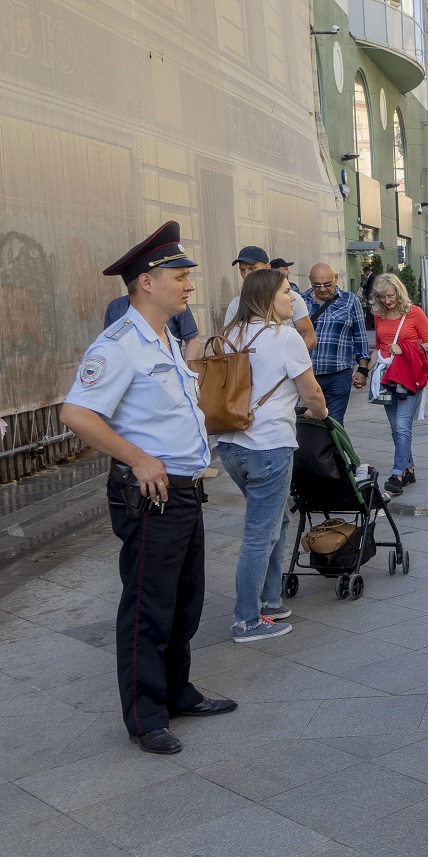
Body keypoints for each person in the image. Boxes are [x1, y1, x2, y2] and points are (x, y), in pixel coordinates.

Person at [61, 222, 236, 756]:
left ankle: (177, 691)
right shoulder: (118, 345)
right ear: (145, 282)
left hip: (183, 490)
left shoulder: (162, 337)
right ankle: (145, 715)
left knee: (185, 601)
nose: (188, 285)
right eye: (179, 276)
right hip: (152, 494)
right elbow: (75, 413)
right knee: (148, 606)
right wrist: (136, 457)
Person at [215, 269, 329, 643]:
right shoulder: (285, 337)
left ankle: (271, 600)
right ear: (266, 298)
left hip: (231, 446)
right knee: (259, 532)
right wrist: (321, 413)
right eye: (285, 292)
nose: (292, 299)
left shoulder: (229, 334)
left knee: (276, 519)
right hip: (269, 445)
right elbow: (310, 392)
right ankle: (246, 619)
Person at [370, 272, 428, 494]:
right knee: (394, 427)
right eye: (381, 297)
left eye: (390, 296)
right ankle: (408, 469)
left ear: (399, 292)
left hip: (408, 376)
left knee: (402, 425)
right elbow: (379, 347)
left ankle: (397, 474)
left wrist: (406, 348)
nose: (387, 301)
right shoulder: (379, 315)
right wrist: (364, 370)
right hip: (386, 378)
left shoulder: (414, 313)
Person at [303, 263, 370, 424]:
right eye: (317, 285)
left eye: (327, 284)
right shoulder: (300, 300)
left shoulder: (350, 300)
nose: (322, 289)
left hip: (338, 374)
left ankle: (334, 450)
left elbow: (360, 336)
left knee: (333, 423)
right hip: (306, 375)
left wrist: (362, 369)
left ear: (336, 279)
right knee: (308, 423)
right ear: (310, 281)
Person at [225, 247, 317, 350]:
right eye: (242, 270)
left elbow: (310, 337)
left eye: (252, 269)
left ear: (267, 267)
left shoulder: (292, 298)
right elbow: (226, 341)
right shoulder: (236, 304)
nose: (246, 274)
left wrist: (289, 356)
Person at [104, 296, 202, 361]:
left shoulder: (177, 303)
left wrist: (187, 377)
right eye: (178, 278)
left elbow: (192, 340)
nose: (189, 286)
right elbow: (110, 347)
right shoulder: (116, 307)